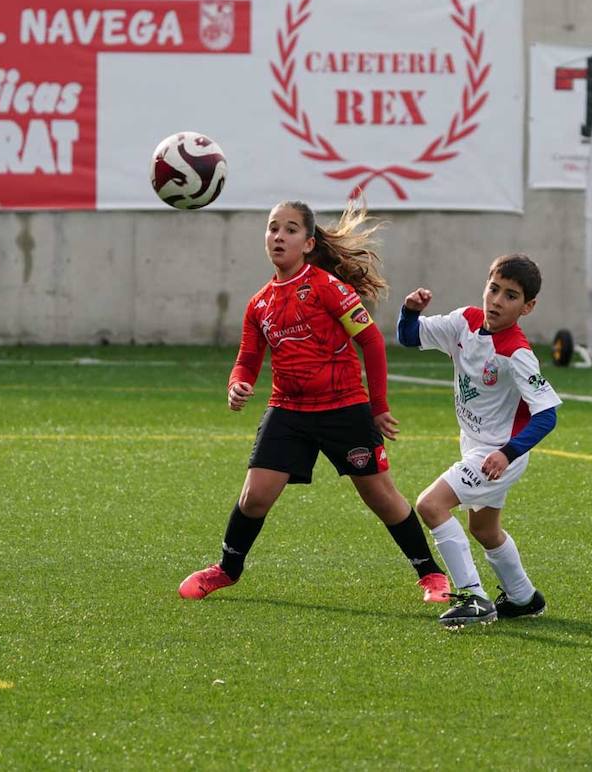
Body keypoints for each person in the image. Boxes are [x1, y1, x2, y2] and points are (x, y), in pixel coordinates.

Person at [178, 200, 450, 604]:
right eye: (272, 228)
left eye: (289, 230)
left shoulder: (328, 287)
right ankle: (226, 569)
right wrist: (237, 384)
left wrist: (379, 405)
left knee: (380, 496)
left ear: (307, 243)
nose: (278, 236)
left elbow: (371, 341)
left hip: (344, 407)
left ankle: (431, 575)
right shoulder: (259, 304)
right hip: (288, 410)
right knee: (255, 496)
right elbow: (248, 360)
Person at [399, 254, 563, 628]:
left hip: (498, 452)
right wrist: (410, 311)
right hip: (475, 445)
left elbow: (547, 415)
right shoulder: (465, 322)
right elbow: (409, 337)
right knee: (484, 530)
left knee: (430, 505)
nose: (497, 301)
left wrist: (507, 454)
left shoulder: (517, 353)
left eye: (511, 296)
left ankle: (473, 596)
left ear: (528, 307)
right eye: (494, 289)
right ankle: (523, 598)